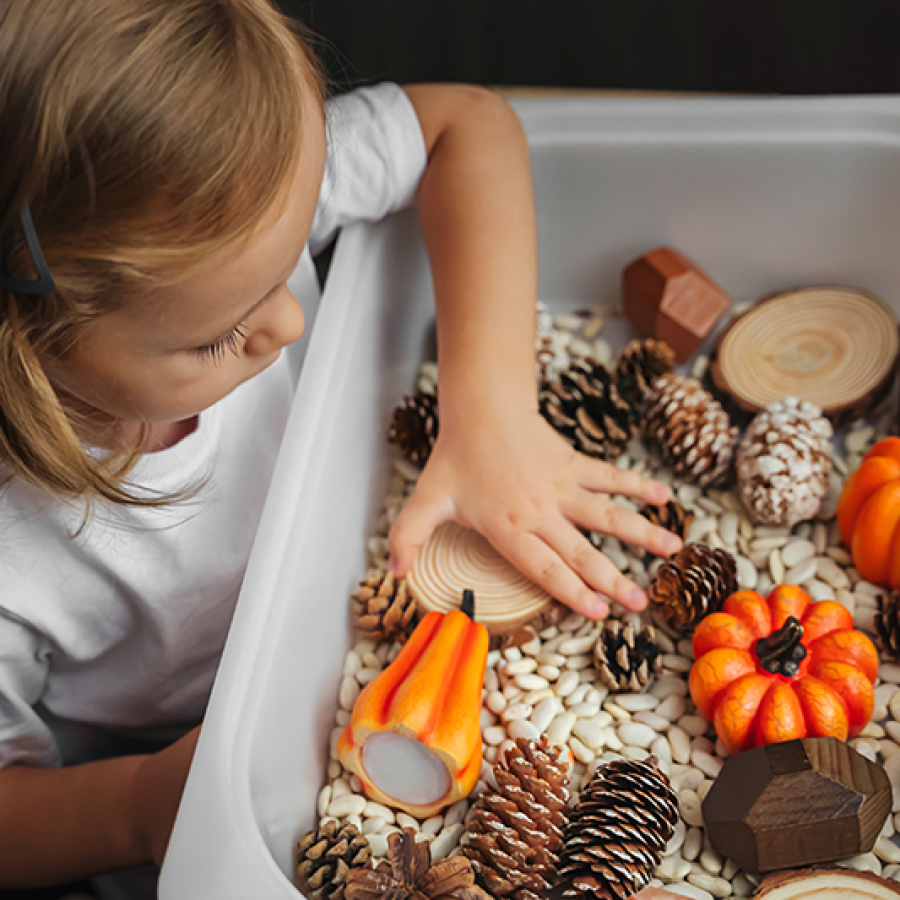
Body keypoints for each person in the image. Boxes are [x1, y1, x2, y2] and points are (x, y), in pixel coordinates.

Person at [0, 0, 682, 892]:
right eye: (219, 336)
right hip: (178, 754)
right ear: (28, 344)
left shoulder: (230, 184)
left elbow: (463, 125)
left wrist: (491, 411)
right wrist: (137, 804)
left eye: (289, 265)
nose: (288, 319)